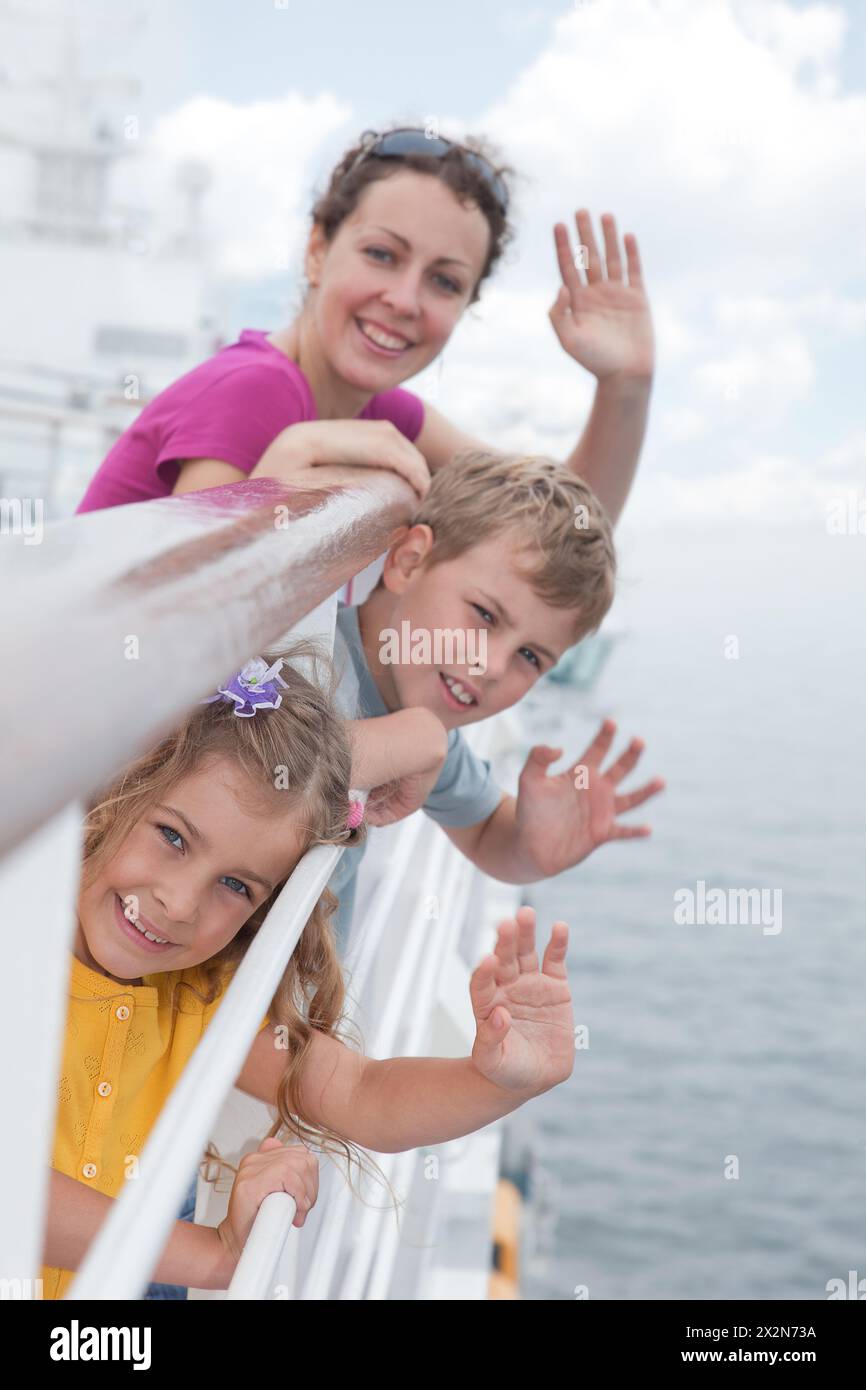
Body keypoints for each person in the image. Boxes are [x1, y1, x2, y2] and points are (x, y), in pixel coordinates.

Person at [41, 645, 575, 1300]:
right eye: (173, 837)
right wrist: (210, 1258)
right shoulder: (20, 954)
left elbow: (362, 1094)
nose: (179, 905)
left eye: (235, 885)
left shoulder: (194, 996)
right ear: (121, 782)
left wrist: (495, 1082)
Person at [75, 126, 654, 528]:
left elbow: (563, 522)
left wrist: (625, 385)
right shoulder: (255, 389)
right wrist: (297, 454)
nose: (404, 299)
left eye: (444, 282)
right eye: (382, 254)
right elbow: (173, 622)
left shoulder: (383, 414)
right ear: (318, 249)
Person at [331, 449, 667, 943]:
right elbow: (265, 770)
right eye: (485, 615)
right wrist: (414, 740)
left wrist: (532, 845)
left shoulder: (421, 712)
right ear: (409, 560)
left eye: (531, 657)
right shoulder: (306, 659)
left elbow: (488, 832)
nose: (490, 668)